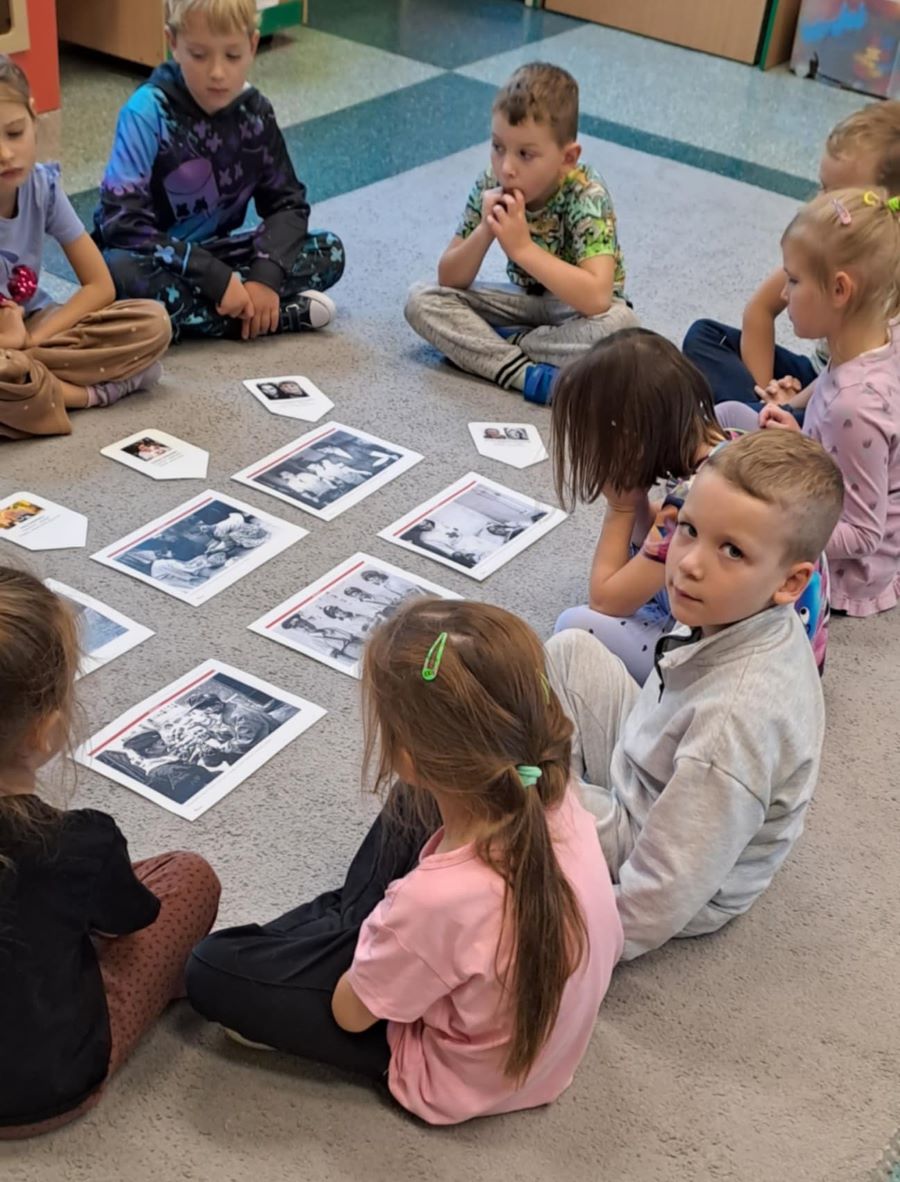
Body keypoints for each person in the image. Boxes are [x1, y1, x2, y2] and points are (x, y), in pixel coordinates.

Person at [187, 599, 622, 1124]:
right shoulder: (553, 792)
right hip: (537, 1041)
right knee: (411, 807)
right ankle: (357, 928)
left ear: (408, 759)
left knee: (211, 967)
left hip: (450, 1077)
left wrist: (382, 939)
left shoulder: (436, 900)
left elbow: (350, 1014)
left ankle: (355, 928)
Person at [546, 430, 843, 961]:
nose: (688, 563)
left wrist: (572, 950)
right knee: (571, 650)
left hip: (670, 859)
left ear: (790, 583)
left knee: (502, 786)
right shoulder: (737, 607)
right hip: (655, 767)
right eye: (689, 529)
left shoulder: (733, 724)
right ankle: (560, 802)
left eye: (732, 550)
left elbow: (660, 895)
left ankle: (554, 816)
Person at [0, 569, 220, 1137]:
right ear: (45, 732)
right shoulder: (81, 843)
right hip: (45, 1088)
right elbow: (131, 922)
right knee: (189, 876)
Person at [551, 329, 831, 681]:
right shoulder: (730, 441)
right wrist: (638, 500)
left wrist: (620, 508)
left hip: (744, 669)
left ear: (628, 440)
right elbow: (657, 541)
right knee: (648, 564)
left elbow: (606, 600)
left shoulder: (691, 497)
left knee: (575, 626)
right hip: (795, 646)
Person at [92, 0, 344, 343]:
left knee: (329, 249)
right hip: (155, 259)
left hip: (218, 255)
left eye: (232, 55)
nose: (217, 72)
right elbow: (120, 224)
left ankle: (211, 315)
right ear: (173, 43)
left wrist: (265, 277)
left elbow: (288, 205)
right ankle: (263, 319)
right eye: (199, 55)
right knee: (116, 272)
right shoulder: (146, 111)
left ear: (252, 45)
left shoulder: (255, 113)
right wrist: (215, 278)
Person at [404, 62, 637, 405]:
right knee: (421, 300)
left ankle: (500, 344)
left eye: (525, 154)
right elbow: (449, 278)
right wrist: (486, 228)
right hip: (522, 301)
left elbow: (597, 298)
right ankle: (528, 376)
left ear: (568, 158)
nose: (507, 168)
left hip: (577, 312)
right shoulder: (490, 182)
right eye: (498, 147)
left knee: (622, 330)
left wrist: (523, 249)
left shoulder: (587, 192)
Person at [719, 189, 900, 618]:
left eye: (794, 281)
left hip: (844, 571)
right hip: (824, 478)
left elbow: (863, 535)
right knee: (728, 416)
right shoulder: (875, 337)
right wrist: (802, 435)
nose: (783, 293)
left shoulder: (853, 407)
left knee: (728, 542)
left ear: (839, 289)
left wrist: (775, 534)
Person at [683, 102, 900, 414]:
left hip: (851, 405)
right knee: (704, 337)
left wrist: (784, 410)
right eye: (822, 187)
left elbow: (853, 378)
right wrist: (767, 399)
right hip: (817, 381)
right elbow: (760, 310)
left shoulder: (885, 277)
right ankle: (756, 422)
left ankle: (752, 427)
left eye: (836, 195)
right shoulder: (827, 241)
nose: (817, 202)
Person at [0, 59, 171, 441]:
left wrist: (29, 342)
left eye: (14, 132)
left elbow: (99, 286)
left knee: (153, 321)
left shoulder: (42, 187)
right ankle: (92, 394)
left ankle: (35, 387)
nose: (5, 153)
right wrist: (9, 343)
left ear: (34, 118)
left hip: (38, 329)